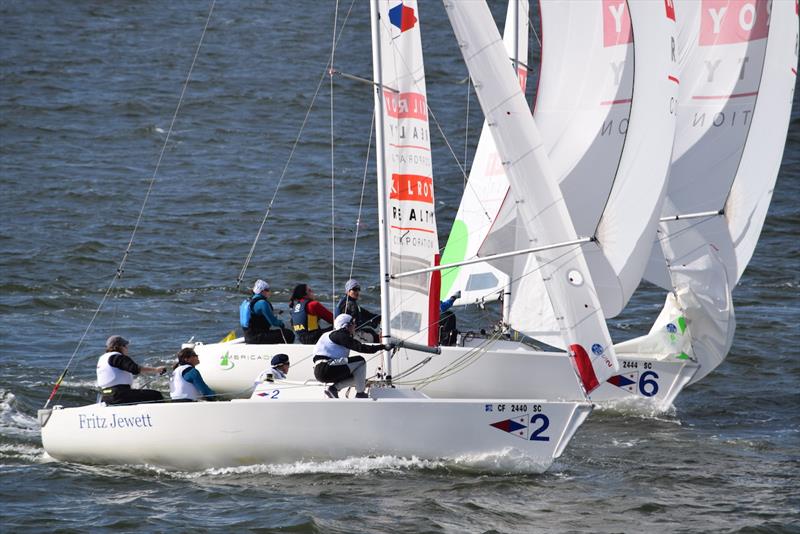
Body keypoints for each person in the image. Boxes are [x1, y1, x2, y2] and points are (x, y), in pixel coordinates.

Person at [313, 314, 389, 399]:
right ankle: (360, 394)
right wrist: (383, 346)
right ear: (346, 325)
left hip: (320, 370)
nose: (355, 325)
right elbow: (361, 348)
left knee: (358, 377)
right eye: (353, 323)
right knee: (360, 361)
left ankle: (333, 389)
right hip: (326, 368)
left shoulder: (330, 334)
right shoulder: (340, 335)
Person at [96, 335, 166, 405]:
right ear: (120, 346)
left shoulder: (102, 358)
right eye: (126, 346)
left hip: (106, 396)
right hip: (119, 395)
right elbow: (135, 369)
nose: (127, 349)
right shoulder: (118, 357)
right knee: (156, 395)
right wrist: (156, 370)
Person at [243, 279, 295, 344]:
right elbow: (274, 323)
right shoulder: (262, 303)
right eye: (267, 290)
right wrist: (281, 323)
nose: (269, 292)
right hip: (257, 337)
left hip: (248, 336)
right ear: (261, 291)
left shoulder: (247, 302)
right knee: (289, 334)